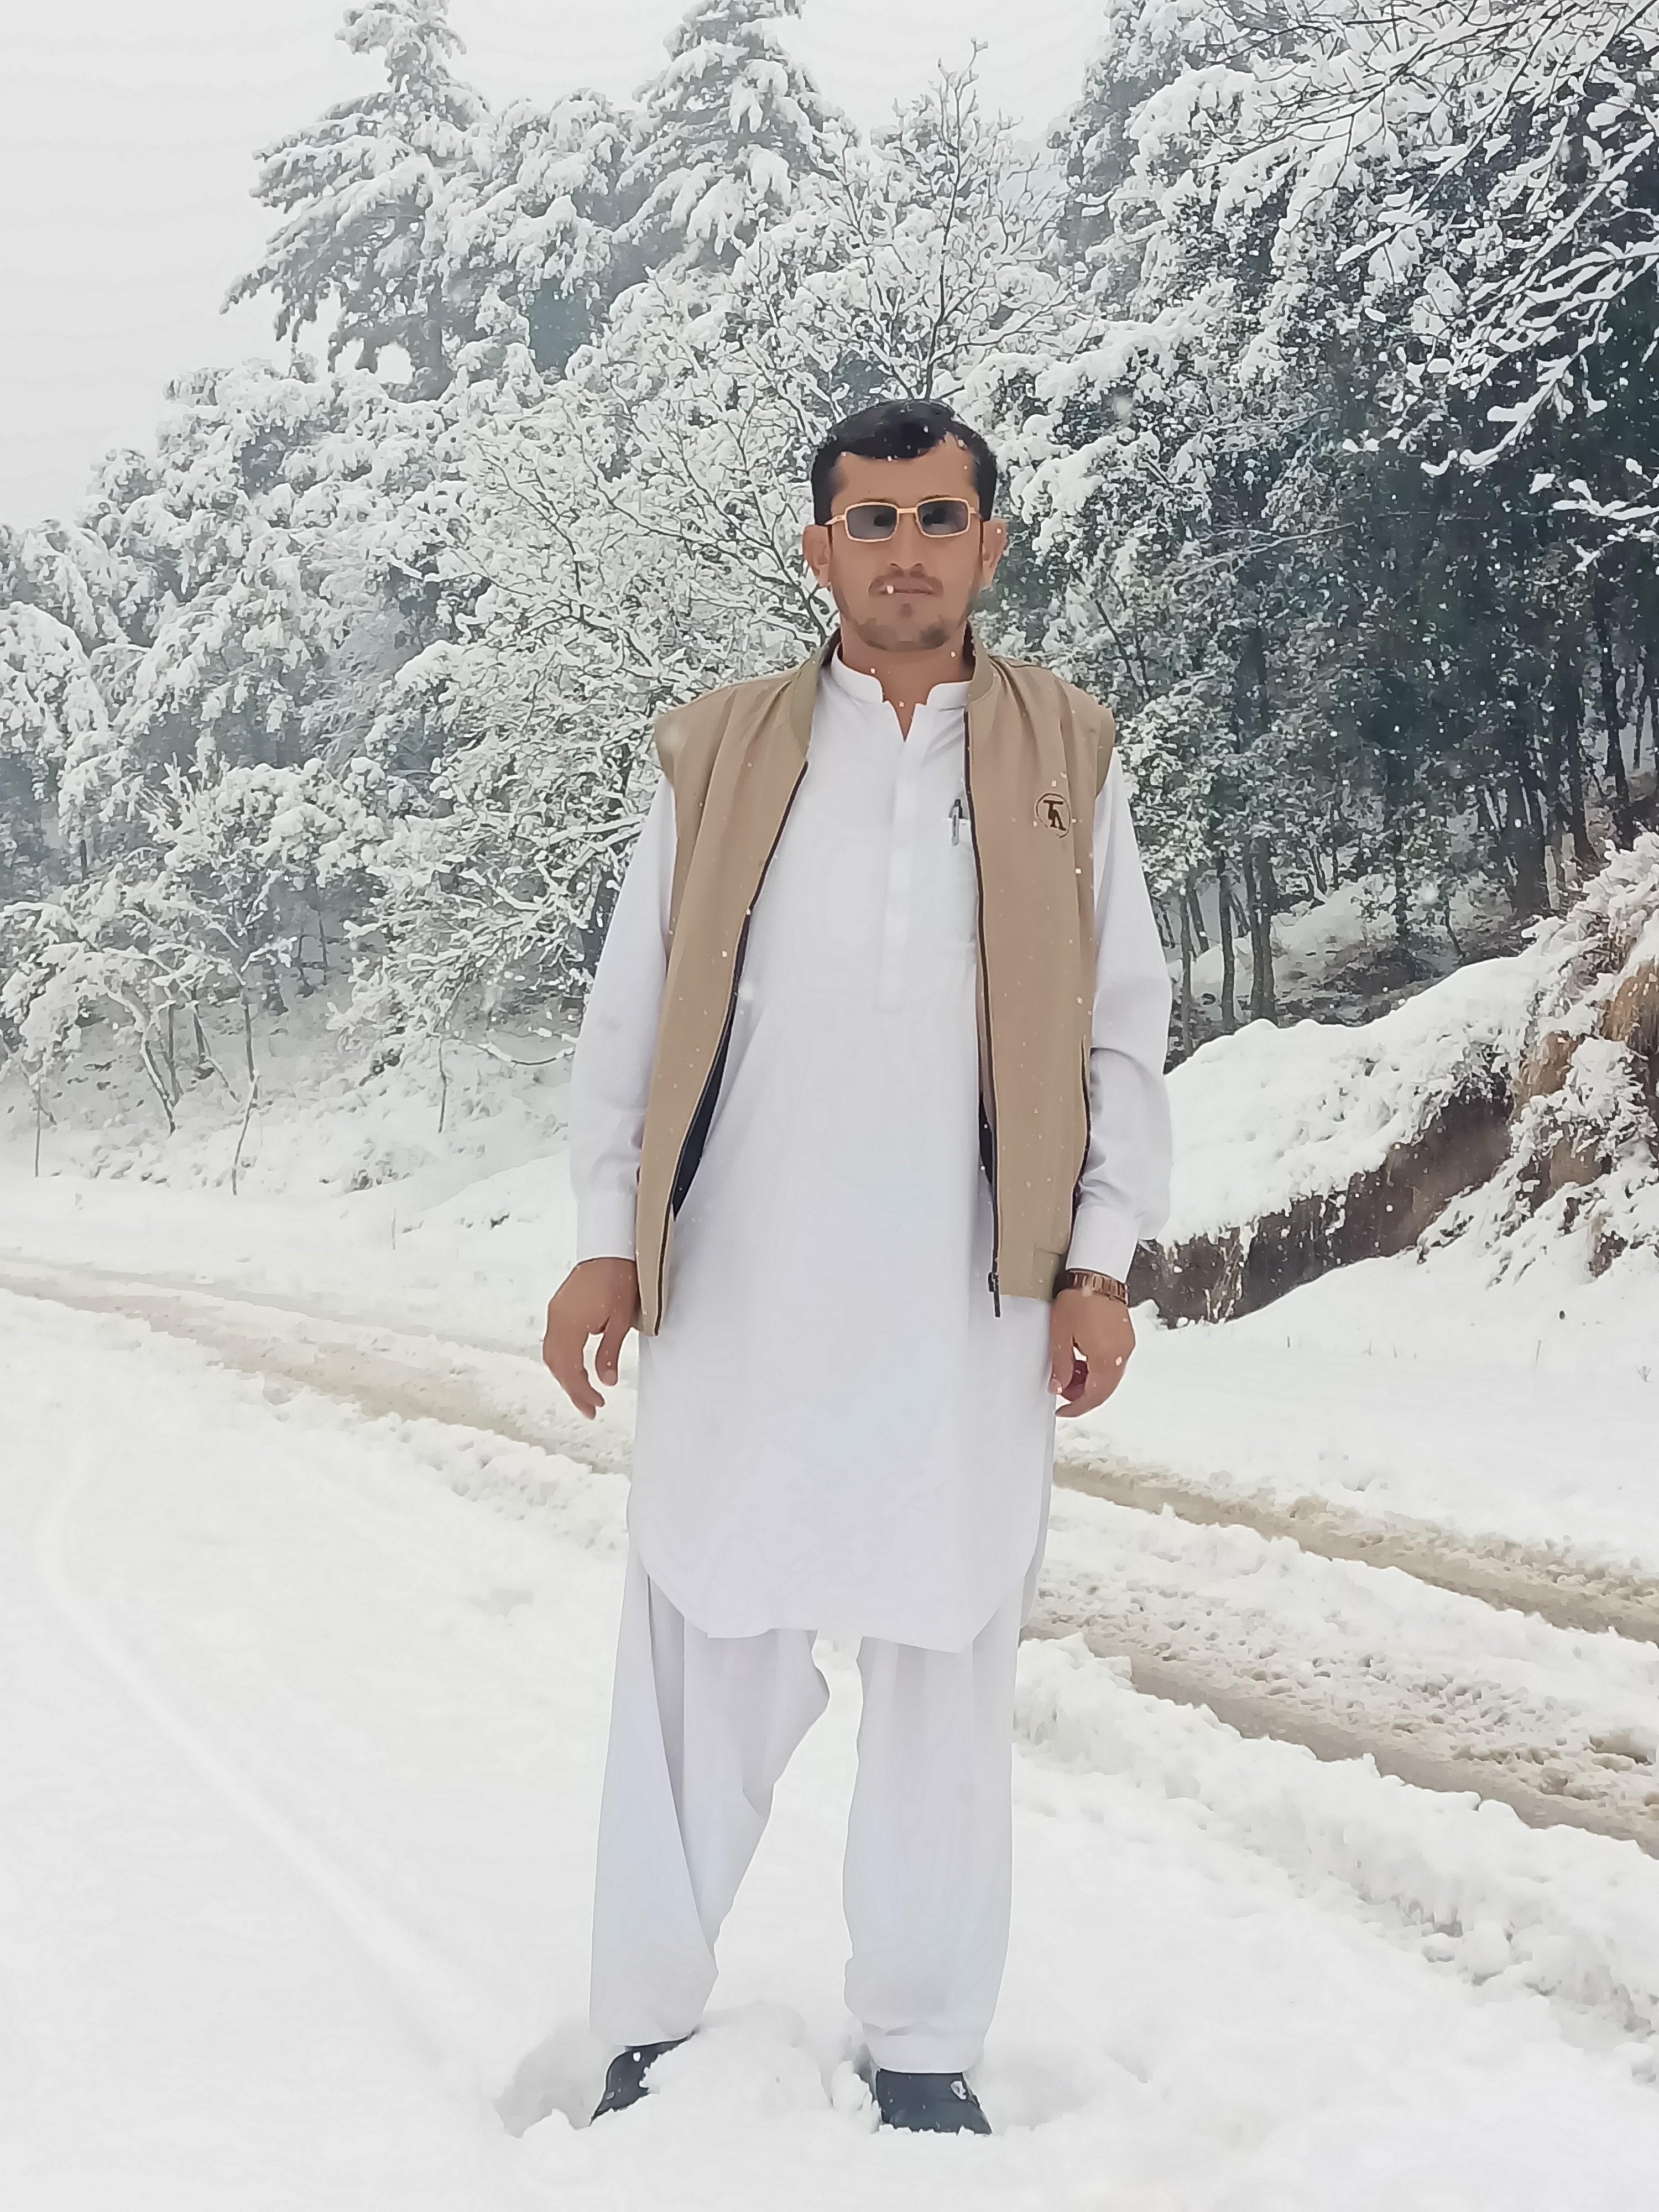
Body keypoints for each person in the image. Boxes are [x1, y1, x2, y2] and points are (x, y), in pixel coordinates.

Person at [542, 398, 1172, 2136]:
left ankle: (922, 2044)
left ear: (991, 542)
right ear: (819, 549)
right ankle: (644, 2022)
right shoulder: (722, 753)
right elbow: (626, 1018)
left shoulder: (1067, 755)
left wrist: (1100, 1260)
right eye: (873, 521)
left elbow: (1121, 1028)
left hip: (969, 1291)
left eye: (938, 518)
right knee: (697, 1648)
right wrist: (604, 1245)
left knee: (948, 1660)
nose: (907, 552)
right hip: (746, 1279)